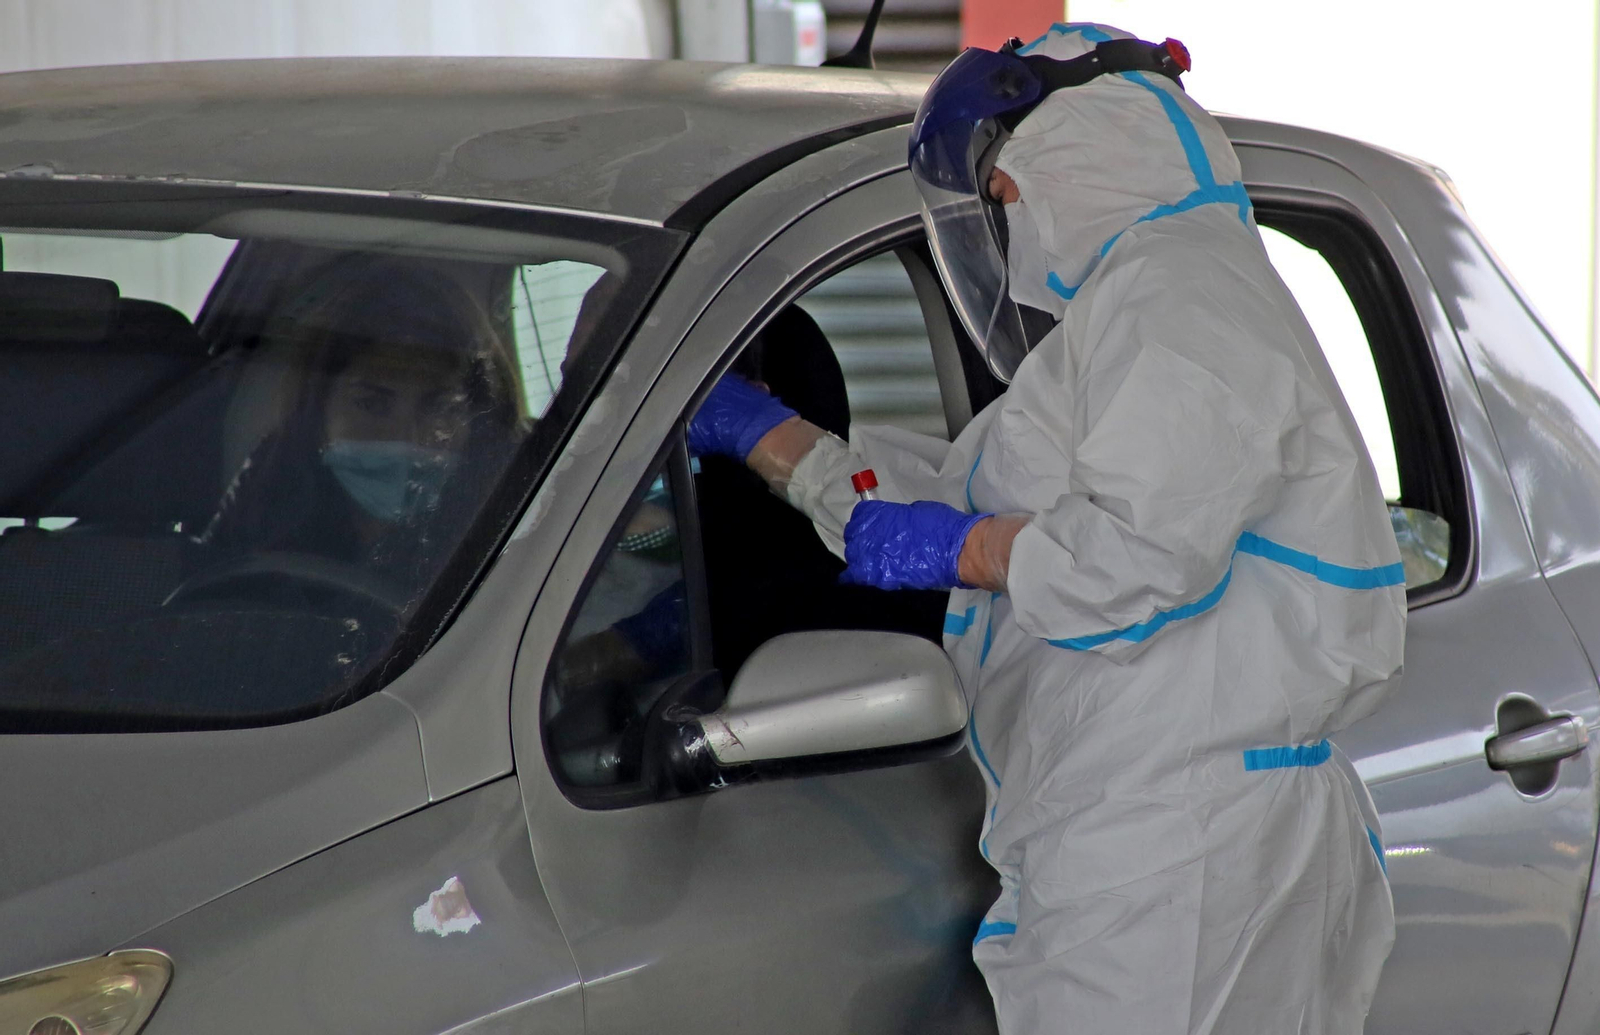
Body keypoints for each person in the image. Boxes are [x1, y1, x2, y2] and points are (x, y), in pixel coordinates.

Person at [689, 23, 1405, 1035]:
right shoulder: (1145, 306)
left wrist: (960, 552)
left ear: (1076, 158)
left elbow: (1126, 558)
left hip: (1178, 858)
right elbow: (968, 498)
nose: (1003, 214)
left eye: (1003, 185)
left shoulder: (1175, 304)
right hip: (1169, 834)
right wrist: (777, 443)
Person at [201, 260, 526, 605]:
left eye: (440, 409)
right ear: (318, 413)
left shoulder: (512, 530)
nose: (407, 438)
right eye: (372, 405)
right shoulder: (265, 498)